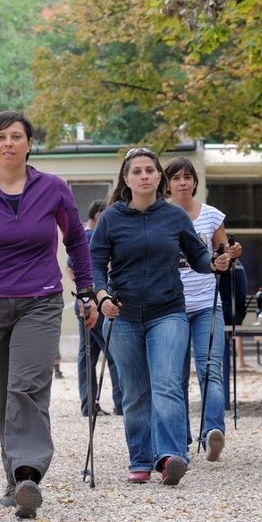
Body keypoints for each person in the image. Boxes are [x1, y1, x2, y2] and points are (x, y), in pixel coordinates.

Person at [0, 110, 96, 519]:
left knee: (24, 387)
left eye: (16, 136)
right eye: (1, 138)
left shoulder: (53, 189)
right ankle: (15, 478)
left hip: (40, 301)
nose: (8, 143)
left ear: (29, 144)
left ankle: (28, 474)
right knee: (0, 397)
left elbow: (77, 242)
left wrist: (86, 290)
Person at [91, 147, 230, 487]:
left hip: (167, 311)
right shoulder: (111, 218)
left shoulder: (174, 216)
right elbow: (94, 263)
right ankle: (140, 457)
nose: (144, 176)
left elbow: (198, 257)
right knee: (136, 391)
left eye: (150, 171)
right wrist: (102, 296)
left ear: (159, 178)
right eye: (136, 171)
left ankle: (169, 457)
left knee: (167, 384)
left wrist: (214, 264)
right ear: (126, 179)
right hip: (122, 314)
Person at [164, 156, 241, 462]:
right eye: (176, 178)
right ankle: (179, 437)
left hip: (207, 303)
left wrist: (232, 253)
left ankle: (212, 432)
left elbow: (224, 256)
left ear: (195, 182)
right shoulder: (161, 215)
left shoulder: (211, 215)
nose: (183, 182)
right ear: (166, 183)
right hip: (170, 306)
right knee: (175, 374)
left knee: (211, 369)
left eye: (187, 177)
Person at [65, 199, 122, 417]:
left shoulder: (82, 236)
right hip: (97, 303)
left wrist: (81, 288)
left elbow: (69, 268)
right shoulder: (94, 237)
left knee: (87, 355)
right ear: (99, 215)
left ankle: (88, 405)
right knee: (114, 353)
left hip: (84, 302)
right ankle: (121, 402)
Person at [220, 262, 248, 369]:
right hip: (238, 308)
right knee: (237, 334)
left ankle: (225, 363)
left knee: (223, 335)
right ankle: (241, 361)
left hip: (228, 307)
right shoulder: (239, 265)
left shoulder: (226, 264)